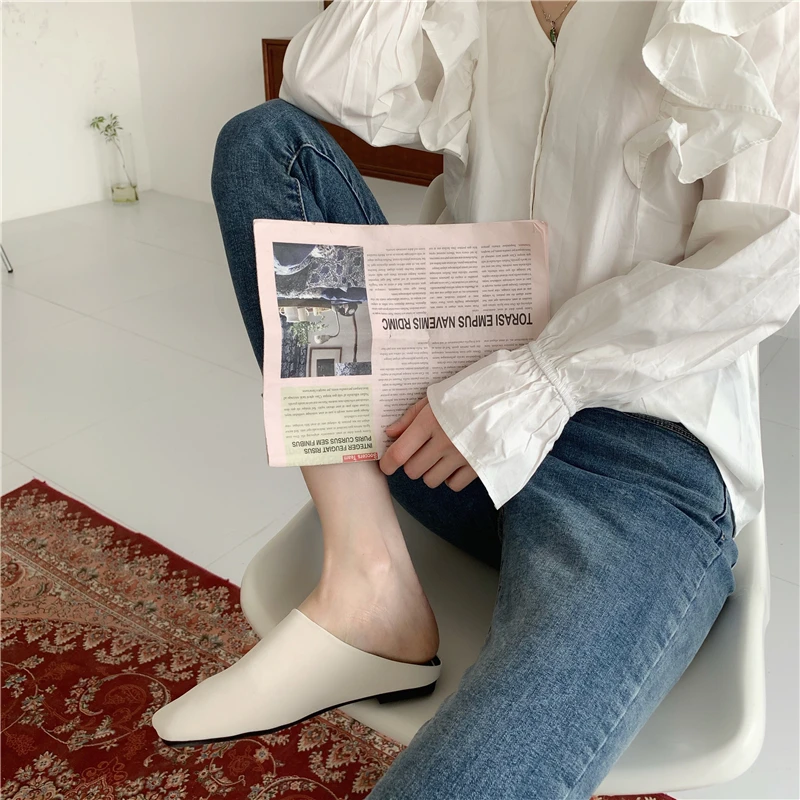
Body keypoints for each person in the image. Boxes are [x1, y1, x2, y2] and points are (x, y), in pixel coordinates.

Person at [152, 1, 799, 797]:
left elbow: (765, 265)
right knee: (265, 147)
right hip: (449, 429)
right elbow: (320, 77)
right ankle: (368, 583)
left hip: (635, 467)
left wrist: (541, 379)